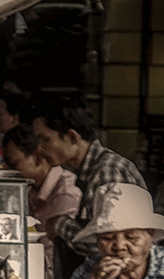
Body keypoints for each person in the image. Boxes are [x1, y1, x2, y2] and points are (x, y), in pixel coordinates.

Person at [29, 95, 145, 256]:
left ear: (72, 137)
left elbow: (111, 246)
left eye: (45, 140)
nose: (39, 148)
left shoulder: (108, 171)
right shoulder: (87, 172)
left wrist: (59, 225)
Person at [2, 124, 82, 279]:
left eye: (13, 164)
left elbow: (59, 251)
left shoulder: (67, 191)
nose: (8, 171)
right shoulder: (30, 189)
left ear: (37, 157)